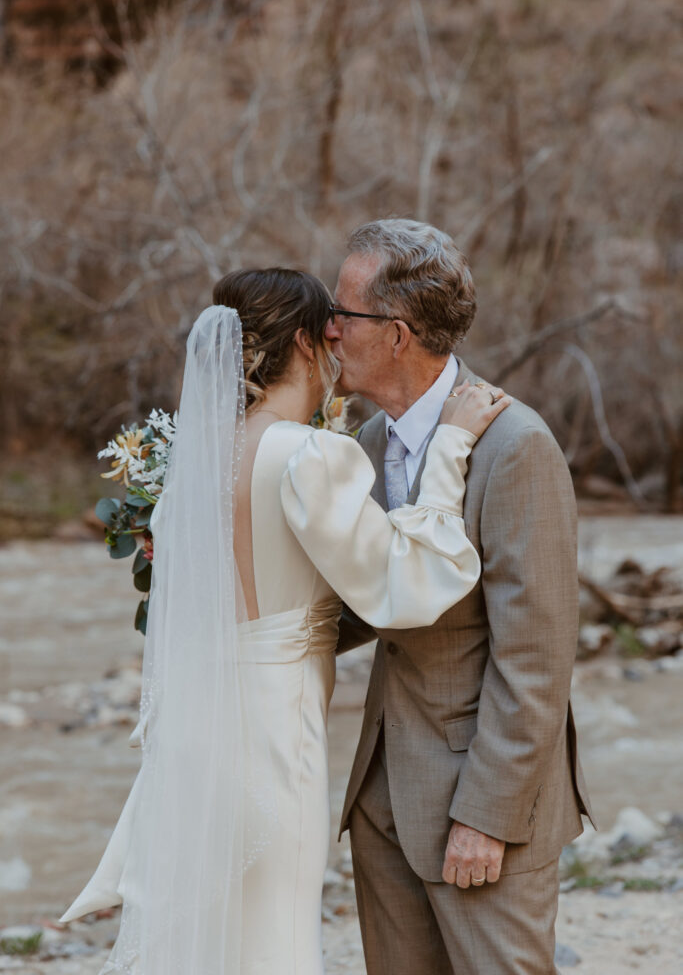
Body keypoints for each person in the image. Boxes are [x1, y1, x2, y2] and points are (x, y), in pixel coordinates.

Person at [59, 267, 510, 975]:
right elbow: (406, 581)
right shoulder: (307, 456)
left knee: (213, 931)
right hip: (274, 730)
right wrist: (450, 446)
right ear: (303, 342)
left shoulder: (190, 471)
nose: (337, 345)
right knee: (273, 934)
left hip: (198, 732)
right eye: (328, 332)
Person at [326, 220, 595, 975]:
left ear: (397, 334)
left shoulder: (516, 447)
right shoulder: (366, 445)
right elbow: (364, 598)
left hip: (478, 809)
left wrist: (486, 815)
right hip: (381, 794)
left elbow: (535, 659)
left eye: (344, 313)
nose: (331, 329)